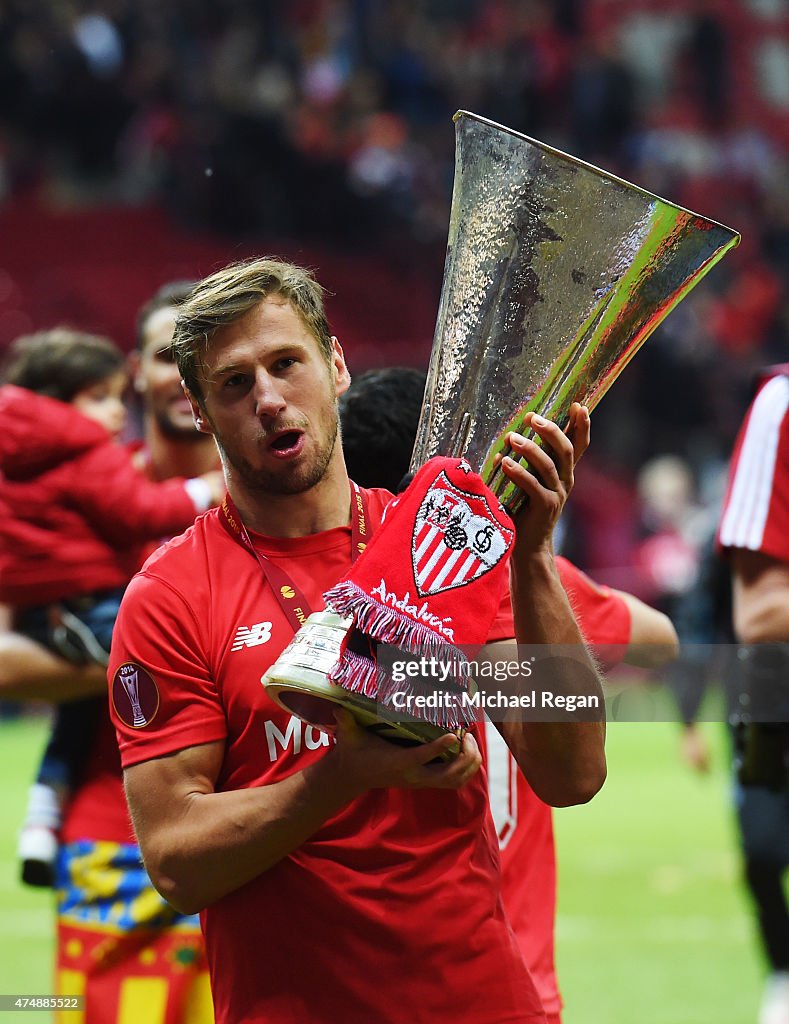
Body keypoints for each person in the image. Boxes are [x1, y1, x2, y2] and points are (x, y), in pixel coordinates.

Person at [107, 256, 607, 1024]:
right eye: (235, 384)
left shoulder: (439, 543)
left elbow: (569, 772)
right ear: (202, 415)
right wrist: (340, 773)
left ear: (335, 365)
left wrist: (532, 558)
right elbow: (176, 864)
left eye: (285, 363)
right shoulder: (171, 595)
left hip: (481, 1002)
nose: (270, 399)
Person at [340, 366, 679, 1024]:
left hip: (369, 973)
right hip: (506, 973)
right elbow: (656, 641)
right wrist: (540, 569)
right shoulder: (520, 584)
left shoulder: (338, 593)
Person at [0, 283, 220, 1024]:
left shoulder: (277, 505)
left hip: (258, 837)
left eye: (207, 353)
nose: (187, 371)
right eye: (169, 354)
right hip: (109, 847)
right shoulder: (68, 489)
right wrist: (178, 656)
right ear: (134, 372)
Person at [718, 363, 789, 1024]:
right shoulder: (781, 404)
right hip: (770, 696)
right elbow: (758, 616)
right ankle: (781, 971)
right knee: (764, 848)